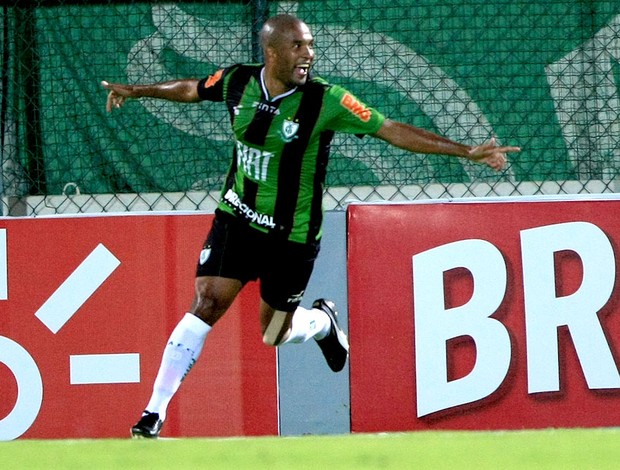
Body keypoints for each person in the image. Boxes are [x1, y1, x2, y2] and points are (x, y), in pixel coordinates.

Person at [102, 14, 520, 439]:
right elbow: (193, 89)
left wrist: (465, 151)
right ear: (272, 51)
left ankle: (321, 322)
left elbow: (389, 129)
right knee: (207, 302)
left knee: (273, 334)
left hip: (292, 236)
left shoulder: (327, 101)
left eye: (310, 44)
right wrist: (138, 91)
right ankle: (153, 413)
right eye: (298, 46)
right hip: (238, 218)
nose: (309, 54)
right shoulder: (237, 81)